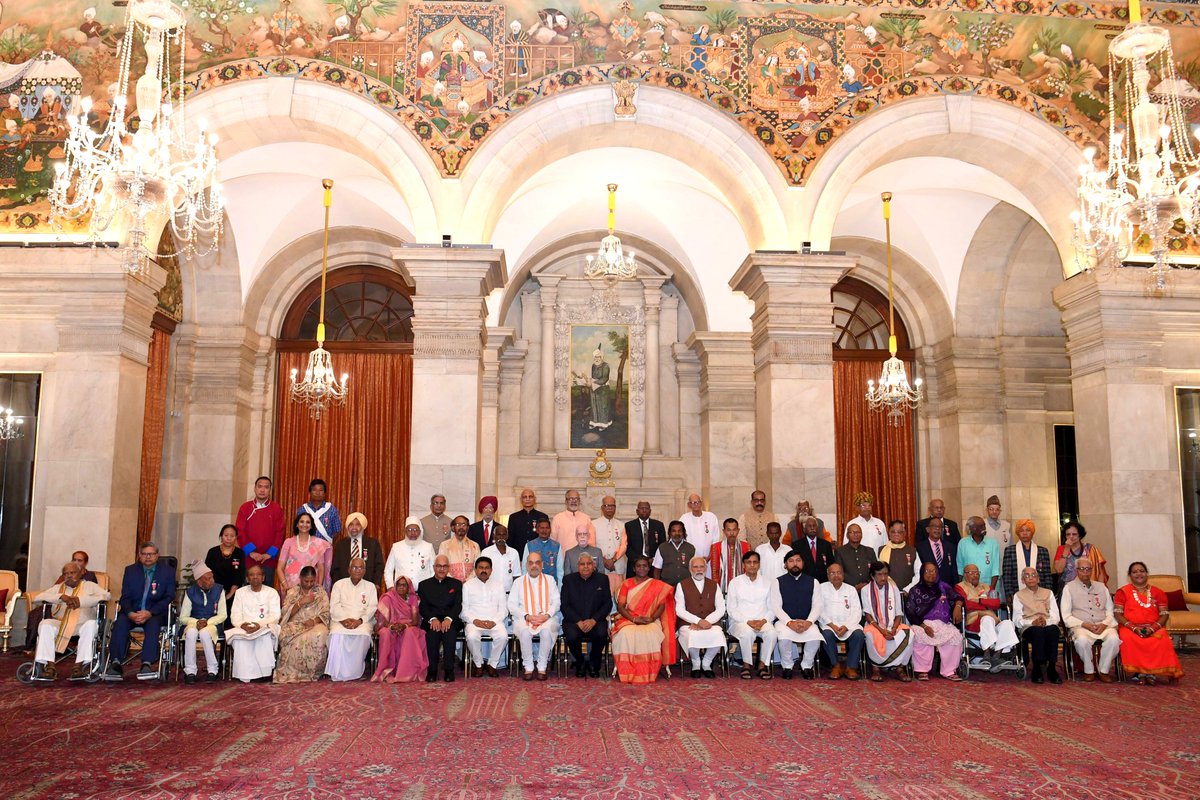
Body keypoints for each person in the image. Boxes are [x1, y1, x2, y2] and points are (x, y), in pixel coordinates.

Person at [106, 541, 177, 681]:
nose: (147, 557)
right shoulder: (130, 570)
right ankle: (115, 662)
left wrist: (150, 613)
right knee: (120, 623)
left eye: (151, 554)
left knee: (153, 625)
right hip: (132, 611)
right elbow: (125, 596)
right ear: (139, 555)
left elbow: (169, 596)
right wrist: (130, 613)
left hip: (155, 613)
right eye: (144, 554)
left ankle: (147, 663)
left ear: (157, 555)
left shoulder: (167, 572)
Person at [30, 562, 110, 681]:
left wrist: (81, 601)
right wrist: (60, 597)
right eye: (65, 573)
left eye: (72, 573)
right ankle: (49, 666)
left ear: (80, 573)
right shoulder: (59, 588)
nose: (68, 576)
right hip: (62, 624)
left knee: (91, 624)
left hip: (82, 624)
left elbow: (106, 596)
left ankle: (79, 666)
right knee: (45, 624)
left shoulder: (89, 586)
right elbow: (37, 598)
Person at [1113, 561, 1184, 685]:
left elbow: (1164, 614)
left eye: (1142, 571)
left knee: (1162, 637)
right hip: (1129, 628)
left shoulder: (1158, 592)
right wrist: (1133, 628)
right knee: (1128, 637)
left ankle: (1150, 673)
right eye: (1134, 572)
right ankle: (1140, 673)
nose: (1139, 574)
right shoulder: (1123, 592)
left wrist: (1152, 628)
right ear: (1129, 575)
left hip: (1153, 627)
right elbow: (1118, 614)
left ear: (1147, 573)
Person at [612, 556, 677, 683]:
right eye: (638, 566)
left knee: (651, 634)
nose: (642, 568)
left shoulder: (657, 585)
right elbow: (620, 606)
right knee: (625, 634)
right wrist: (634, 619)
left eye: (645, 566)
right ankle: (627, 671)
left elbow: (661, 606)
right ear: (634, 568)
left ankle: (648, 671)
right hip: (629, 619)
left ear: (649, 568)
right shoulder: (626, 584)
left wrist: (652, 618)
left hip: (650, 619)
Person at [24, 550, 98, 654]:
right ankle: (34, 647)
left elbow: (96, 596)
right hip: (59, 607)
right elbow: (53, 590)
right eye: (74, 559)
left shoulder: (89, 578)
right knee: (37, 614)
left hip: (79, 611)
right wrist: (60, 597)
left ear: (85, 563)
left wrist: (77, 600)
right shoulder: (65, 576)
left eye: (79, 560)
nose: (76, 562)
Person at [1060, 557, 1120, 682]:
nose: (1085, 572)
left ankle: (1103, 670)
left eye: (1088, 569)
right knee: (1081, 641)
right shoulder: (1069, 588)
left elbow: (1110, 611)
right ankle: (1089, 670)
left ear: (1092, 570)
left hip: (1103, 625)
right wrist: (1084, 624)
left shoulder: (1102, 587)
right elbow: (1066, 616)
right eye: (1082, 569)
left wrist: (1104, 624)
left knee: (1114, 639)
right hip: (1081, 626)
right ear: (1076, 570)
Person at [905, 561, 965, 681]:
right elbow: (910, 612)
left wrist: (958, 607)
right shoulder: (915, 590)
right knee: (917, 634)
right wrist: (924, 626)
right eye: (927, 571)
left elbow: (958, 597)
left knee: (956, 636)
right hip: (922, 624)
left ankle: (949, 671)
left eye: (933, 571)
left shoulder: (943, 587)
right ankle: (922, 670)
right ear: (922, 573)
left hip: (942, 624)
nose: (930, 574)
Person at [770, 550, 823, 679]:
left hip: (807, 621)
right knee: (783, 637)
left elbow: (818, 605)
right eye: (791, 561)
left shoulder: (814, 582)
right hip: (785, 622)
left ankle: (806, 665)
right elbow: (776, 606)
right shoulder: (777, 582)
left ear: (803, 563)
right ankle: (787, 666)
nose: (795, 564)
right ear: (785, 565)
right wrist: (789, 622)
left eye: (798, 560)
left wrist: (809, 622)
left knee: (815, 637)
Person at [509, 551, 561, 680]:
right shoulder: (518, 582)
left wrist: (547, 615)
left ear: (542, 565)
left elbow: (556, 602)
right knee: (525, 632)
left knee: (546, 632)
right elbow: (511, 605)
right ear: (526, 565)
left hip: (546, 618)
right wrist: (526, 616)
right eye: (531, 563)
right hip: (524, 617)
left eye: (537, 562)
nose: (534, 566)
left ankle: (542, 667)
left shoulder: (550, 580)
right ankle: (528, 667)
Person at [955, 564, 1018, 671]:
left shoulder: (986, 587)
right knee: (987, 619)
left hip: (993, 620)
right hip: (973, 620)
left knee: (1008, 623)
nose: (975, 575)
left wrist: (979, 601)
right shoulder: (960, 587)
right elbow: (968, 605)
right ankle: (987, 654)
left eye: (977, 573)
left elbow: (996, 603)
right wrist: (987, 605)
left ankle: (997, 655)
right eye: (971, 573)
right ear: (965, 575)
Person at [726, 551, 776, 679]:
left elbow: (772, 608)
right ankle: (746, 665)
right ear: (744, 565)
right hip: (740, 622)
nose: (752, 565)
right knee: (747, 633)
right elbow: (731, 609)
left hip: (762, 622)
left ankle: (762, 665)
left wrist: (763, 621)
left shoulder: (768, 582)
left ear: (759, 564)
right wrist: (748, 621)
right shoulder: (735, 583)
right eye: (749, 562)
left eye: (755, 562)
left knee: (772, 633)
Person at [325, 558, 378, 681]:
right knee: (336, 634)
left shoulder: (370, 586)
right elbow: (334, 605)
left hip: (362, 622)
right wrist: (344, 620)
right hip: (340, 620)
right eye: (354, 567)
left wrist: (359, 621)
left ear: (364, 570)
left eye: (360, 568)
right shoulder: (339, 584)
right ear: (349, 570)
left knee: (363, 634)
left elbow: (372, 607)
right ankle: (337, 672)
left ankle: (354, 671)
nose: (357, 570)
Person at [228, 565, 283, 682]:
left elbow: (275, 616)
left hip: (265, 626)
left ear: (263, 577)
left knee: (264, 636)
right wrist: (242, 624)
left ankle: (264, 674)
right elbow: (235, 615)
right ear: (247, 578)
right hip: (244, 627)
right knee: (239, 640)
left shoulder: (272, 592)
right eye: (251, 575)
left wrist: (259, 625)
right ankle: (245, 675)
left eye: (258, 574)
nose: (255, 577)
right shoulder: (240, 593)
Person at [273, 566, 328, 684]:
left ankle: (313, 672)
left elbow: (326, 613)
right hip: (296, 623)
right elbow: (285, 614)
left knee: (320, 634)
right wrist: (300, 602)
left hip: (315, 623)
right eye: (306, 581)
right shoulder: (293, 591)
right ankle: (293, 673)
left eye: (312, 581)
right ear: (300, 578)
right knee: (287, 634)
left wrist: (313, 621)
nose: (309, 584)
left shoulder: (321, 592)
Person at [561, 554, 613, 677]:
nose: (586, 567)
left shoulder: (602, 579)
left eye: (589, 564)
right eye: (582, 564)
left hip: (596, 620)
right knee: (572, 636)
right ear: (577, 566)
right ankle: (580, 662)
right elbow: (564, 605)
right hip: (574, 621)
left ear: (593, 565)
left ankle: (593, 663)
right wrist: (578, 621)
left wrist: (594, 620)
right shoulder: (568, 580)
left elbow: (607, 604)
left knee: (601, 634)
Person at [675, 556, 727, 678]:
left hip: (711, 622)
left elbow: (721, 608)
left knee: (718, 634)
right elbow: (679, 610)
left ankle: (707, 662)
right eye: (695, 567)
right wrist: (697, 621)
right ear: (690, 569)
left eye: (701, 566)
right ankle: (696, 663)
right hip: (688, 623)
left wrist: (707, 621)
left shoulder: (714, 585)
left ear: (706, 568)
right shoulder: (681, 585)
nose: (699, 569)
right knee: (692, 635)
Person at [861, 561, 911, 681]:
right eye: (879, 574)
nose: (883, 577)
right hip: (874, 625)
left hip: (893, 625)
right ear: (872, 575)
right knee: (870, 635)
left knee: (909, 633)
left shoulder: (894, 589)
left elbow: (898, 613)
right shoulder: (865, 590)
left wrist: (893, 629)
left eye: (885, 574)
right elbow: (868, 615)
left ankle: (900, 668)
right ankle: (876, 668)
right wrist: (881, 630)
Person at [1012, 566, 1062, 684]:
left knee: (1052, 631)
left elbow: (1056, 616)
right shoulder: (1018, 595)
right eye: (1027, 576)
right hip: (1028, 626)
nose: (1031, 578)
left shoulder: (1048, 593)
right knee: (1038, 631)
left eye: (1033, 575)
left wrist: (1046, 622)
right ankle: (1037, 667)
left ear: (1038, 579)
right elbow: (1017, 619)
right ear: (1023, 580)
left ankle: (1051, 667)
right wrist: (1032, 622)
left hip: (1047, 623)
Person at [372, 575, 428, 683]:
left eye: (404, 585)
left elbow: (415, 621)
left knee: (409, 633)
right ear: (395, 586)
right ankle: (385, 671)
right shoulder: (388, 597)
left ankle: (406, 672)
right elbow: (383, 621)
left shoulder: (413, 599)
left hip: (408, 626)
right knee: (385, 633)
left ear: (408, 587)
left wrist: (404, 626)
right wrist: (392, 626)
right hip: (390, 626)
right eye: (399, 585)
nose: (401, 587)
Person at [179, 562, 227, 684]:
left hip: (212, 623)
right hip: (193, 623)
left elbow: (223, 614)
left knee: (205, 633)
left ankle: (213, 670)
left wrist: (207, 622)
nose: (212, 580)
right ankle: (190, 671)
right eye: (208, 578)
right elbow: (183, 617)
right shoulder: (190, 592)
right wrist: (196, 622)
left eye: (212, 577)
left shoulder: (219, 590)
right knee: (191, 633)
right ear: (199, 582)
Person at [418, 555, 463, 682]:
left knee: (449, 633)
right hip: (432, 620)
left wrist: (449, 619)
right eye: (439, 566)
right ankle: (432, 671)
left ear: (448, 568)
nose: (441, 569)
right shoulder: (424, 585)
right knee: (433, 634)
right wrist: (432, 619)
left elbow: (458, 605)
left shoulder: (456, 584)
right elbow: (423, 607)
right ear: (434, 567)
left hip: (451, 620)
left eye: (444, 566)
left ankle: (449, 670)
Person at [461, 557, 509, 677]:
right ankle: (479, 664)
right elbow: (464, 610)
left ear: (491, 570)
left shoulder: (499, 585)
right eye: (481, 568)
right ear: (475, 570)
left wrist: (494, 621)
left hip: (494, 622)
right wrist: (475, 621)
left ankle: (492, 664)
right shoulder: (467, 586)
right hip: (474, 622)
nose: (484, 570)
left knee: (503, 636)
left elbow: (504, 609)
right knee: (472, 637)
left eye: (487, 568)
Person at [235, 476, 286, 588]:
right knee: (247, 590)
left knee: (267, 590)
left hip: (268, 560)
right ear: (255, 488)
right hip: (249, 558)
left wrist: (269, 554)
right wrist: (251, 552)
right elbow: (240, 531)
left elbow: (280, 533)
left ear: (270, 490)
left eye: (266, 487)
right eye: (260, 486)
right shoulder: (245, 508)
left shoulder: (277, 509)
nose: (262, 490)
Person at [818, 563, 865, 680]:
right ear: (828, 576)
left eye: (839, 573)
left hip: (848, 625)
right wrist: (833, 626)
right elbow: (818, 610)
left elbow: (857, 612)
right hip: (829, 625)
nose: (836, 576)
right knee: (826, 635)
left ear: (843, 575)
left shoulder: (851, 589)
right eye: (832, 573)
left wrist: (846, 626)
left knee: (859, 635)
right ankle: (836, 666)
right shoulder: (821, 588)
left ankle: (851, 667)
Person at [277, 512, 330, 593]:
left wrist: (318, 589)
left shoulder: (318, 544)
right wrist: (286, 587)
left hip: (311, 587)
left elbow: (321, 569)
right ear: (297, 524)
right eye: (301, 522)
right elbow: (280, 568)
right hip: (290, 588)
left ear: (311, 526)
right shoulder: (288, 542)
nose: (304, 524)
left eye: (308, 522)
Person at [1001, 519, 1052, 599]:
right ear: (1018, 533)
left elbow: (1047, 575)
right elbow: (1007, 575)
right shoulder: (1010, 550)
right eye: (1021, 531)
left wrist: (1048, 593)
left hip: (1040, 593)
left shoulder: (1042, 551)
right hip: (1017, 592)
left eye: (1028, 530)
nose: (1025, 533)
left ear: (1032, 532)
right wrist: (1009, 595)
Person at [330, 512, 384, 586]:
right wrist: (338, 585)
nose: (354, 528)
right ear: (347, 527)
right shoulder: (341, 544)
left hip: (368, 586)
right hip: (345, 586)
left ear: (362, 527)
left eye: (357, 524)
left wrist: (376, 584)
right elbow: (335, 569)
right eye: (351, 525)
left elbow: (379, 566)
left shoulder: (372, 544)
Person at [384, 516, 436, 590]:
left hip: (424, 591)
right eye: (409, 530)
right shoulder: (396, 547)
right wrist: (390, 586)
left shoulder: (428, 547)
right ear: (405, 531)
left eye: (415, 530)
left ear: (420, 531)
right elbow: (388, 570)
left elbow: (434, 570)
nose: (413, 533)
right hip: (401, 591)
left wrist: (431, 587)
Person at [1054, 520, 1109, 588]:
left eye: (1074, 534)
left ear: (1080, 535)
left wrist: (1101, 588)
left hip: (1089, 587)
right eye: (1068, 534)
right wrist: (1066, 549)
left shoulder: (1090, 548)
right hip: (1067, 588)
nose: (1071, 537)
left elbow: (1100, 572)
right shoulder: (1061, 549)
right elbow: (1059, 570)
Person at [206, 524, 246, 616]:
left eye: (232, 536)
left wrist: (230, 594)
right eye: (226, 535)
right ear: (221, 536)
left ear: (236, 538)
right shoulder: (212, 552)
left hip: (233, 592)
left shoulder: (240, 553)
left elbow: (240, 575)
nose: (229, 538)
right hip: (213, 591)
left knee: (230, 616)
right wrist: (214, 592)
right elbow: (207, 573)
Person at [957, 517, 1001, 594]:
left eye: (984, 525)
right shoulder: (963, 543)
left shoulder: (993, 543)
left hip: (988, 587)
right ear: (971, 528)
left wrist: (991, 589)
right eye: (980, 526)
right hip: (968, 588)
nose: (984, 528)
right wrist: (959, 589)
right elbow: (960, 568)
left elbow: (995, 569)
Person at [594, 495, 628, 593]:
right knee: (600, 595)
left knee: (618, 595)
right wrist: (604, 561)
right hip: (600, 566)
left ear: (615, 508)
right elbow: (592, 545)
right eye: (607, 505)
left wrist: (613, 560)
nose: (609, 508)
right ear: (602, 508)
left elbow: (623, 545)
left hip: (617, 566)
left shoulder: (621, 525)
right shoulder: (593, 524)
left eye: (612, 506)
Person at [878, 520, 921, 594]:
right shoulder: (881, 550)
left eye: (900, 532)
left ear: (905, 533)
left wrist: (907, 589)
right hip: (886, 592)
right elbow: (877, 573)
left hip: (907, 593)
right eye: (893, 532)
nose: (896, 534)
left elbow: (919, 573)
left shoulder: (912, 551)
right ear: (889, 533)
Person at [625, 500, 666, 575]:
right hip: (635, 566)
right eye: (641, 508)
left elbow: (662, 546)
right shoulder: (629, 526)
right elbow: (627, 547)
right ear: (637, 511)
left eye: (646, 508)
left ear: (650, 511)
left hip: (654, 565)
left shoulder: (658, 525)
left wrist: (654, 559)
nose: (644, 510)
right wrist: (640, 561)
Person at [915, 518, 959, 587]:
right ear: (927, 529)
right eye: (934, 526)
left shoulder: (950, 547)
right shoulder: (920, 547)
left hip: (947, 588)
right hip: (928, 588)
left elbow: (954, 570)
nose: (937, 529)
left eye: (940, 527)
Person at [709, 518, 749, 591]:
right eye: (729, 530)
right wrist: (717, 590)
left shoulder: (746, 546)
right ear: (724, 531)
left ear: (738, 531)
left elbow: (747, 569)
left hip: (742, 587)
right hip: (723, 588)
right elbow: (715, 571)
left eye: (734, 530)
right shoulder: (716, 547)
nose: (732, 533)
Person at [506, 488, 549, 556]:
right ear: (521, 500)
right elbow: (509, 539)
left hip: (538, 554)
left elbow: (546, 538)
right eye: (524, 497)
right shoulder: (513, 517)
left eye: (530, 497)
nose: (527, 499)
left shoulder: (542, 517)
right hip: (518, 555)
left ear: (535, 499)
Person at [439, 515, 481, 584]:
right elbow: (442, 566)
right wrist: (454, 582)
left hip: (470, 584)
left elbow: (478, 566)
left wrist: (467, 581)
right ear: (453, 527)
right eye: (458, 524)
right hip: (450, 584)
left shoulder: (475, 545)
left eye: (464, 525)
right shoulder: (444, 545)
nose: (461, 527)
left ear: (467, 528)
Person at [480, 524, 522, 593]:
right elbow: (481, 574)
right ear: (494, 536)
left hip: (508, 594)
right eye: (498, 534)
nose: (501, 537)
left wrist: (515, 592)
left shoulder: (514, 553)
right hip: (490, 593)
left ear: (507, 536)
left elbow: (516, 576)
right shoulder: (486, 552)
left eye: (504, 535)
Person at [298, 478, 342, 543]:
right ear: (310, 492)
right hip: (305, 547)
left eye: (321, 490)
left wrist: (328, 543)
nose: (317, 493)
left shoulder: (331, 509)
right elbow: (297, 529)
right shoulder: (303, 509)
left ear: (325, 493)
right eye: (314, 490)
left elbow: (337, 530)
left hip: (325, 547)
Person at [653, 520, 695, 586]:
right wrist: (657, 586)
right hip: (667, 586)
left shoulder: (691, 548)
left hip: (686, 586)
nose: (677, 533)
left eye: (679, 531)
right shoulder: (662, 547)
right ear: (669, 533)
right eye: (674, 531)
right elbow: (657, 570)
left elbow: (695, 568)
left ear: (683, 532)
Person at [833, 523, 873, 589]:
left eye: (858, 532)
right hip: (848, 588)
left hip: (868, 588)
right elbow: (839, 571)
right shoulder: (840, 552)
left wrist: (866, 584)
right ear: (847, 535)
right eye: (852, 532)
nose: (855, 534)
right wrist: (854, 585)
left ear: (862, 535)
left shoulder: (869, 551)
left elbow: (874, 570)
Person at [526, 518, 564, 585]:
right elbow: (525, 568)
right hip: (533, 583)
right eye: (542, 528)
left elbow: (560, 569)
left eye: (547, 528)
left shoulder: (557, 546)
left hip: (552, 583)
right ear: (537, 530)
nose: (544, 530)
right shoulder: (529, 545)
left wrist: (560, 587)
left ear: (550, 530)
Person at [799, 517, 836, 583]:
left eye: (814, 526)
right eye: (809, 526)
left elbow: (831, 564)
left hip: (823, 581)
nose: (812, 528)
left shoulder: (826, 544)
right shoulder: (797, 545)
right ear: (804, 529)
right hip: (805, 581)